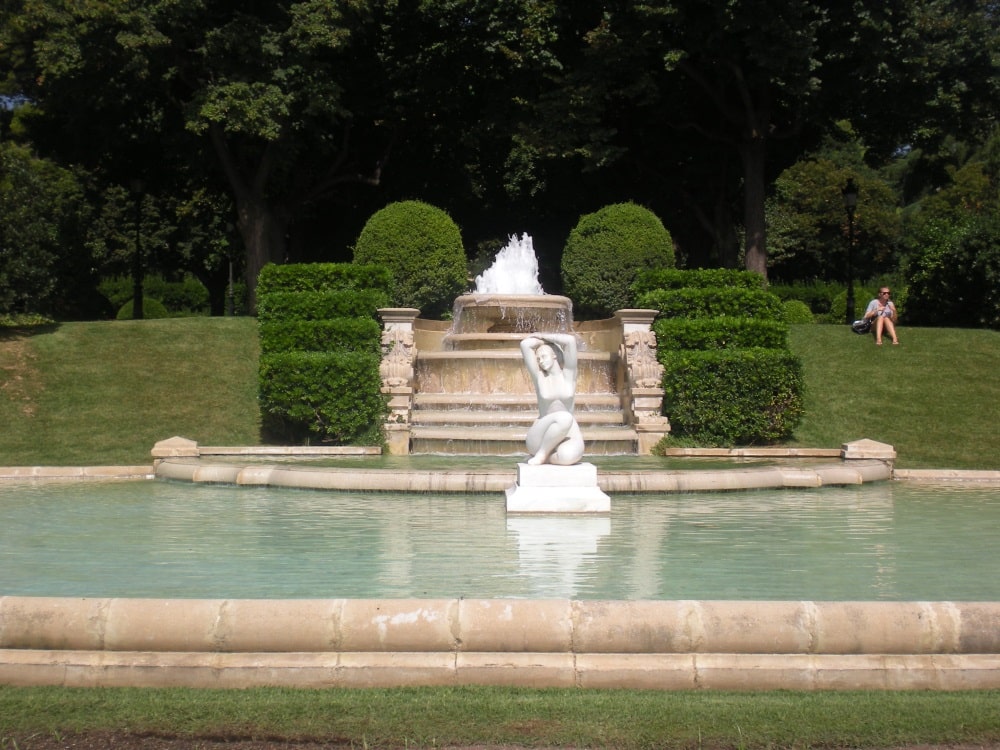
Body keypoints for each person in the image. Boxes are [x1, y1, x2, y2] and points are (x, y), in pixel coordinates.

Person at [519, 332, 585, 466]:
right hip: (541, 434)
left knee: (567, 457)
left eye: (543, 356)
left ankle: (549, 458)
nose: (541, 361)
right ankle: (542, 453)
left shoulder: (569, 376)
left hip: (569, 434)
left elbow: (569, 341)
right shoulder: (539, 377)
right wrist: (542, 344)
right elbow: (525, 344)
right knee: (565, 417)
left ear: (554, 355)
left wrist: (543, 336)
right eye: (538, 359)